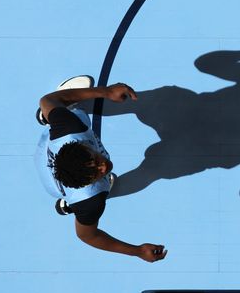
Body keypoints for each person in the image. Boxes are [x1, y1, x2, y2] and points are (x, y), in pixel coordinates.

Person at [35, 75, 167, 262]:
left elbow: (47, 100)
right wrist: (136, 251)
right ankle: (73, 206)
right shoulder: (92, 201)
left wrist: (107, 92)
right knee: (92, 202)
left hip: (47, 159)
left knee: (78, 115)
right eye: (96, 173)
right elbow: (87, 235)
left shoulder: (70, 129)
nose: (104, 166)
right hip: (67, 189)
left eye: (96, 160)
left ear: (82, 146)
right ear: (85, 183)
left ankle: (46, 116)